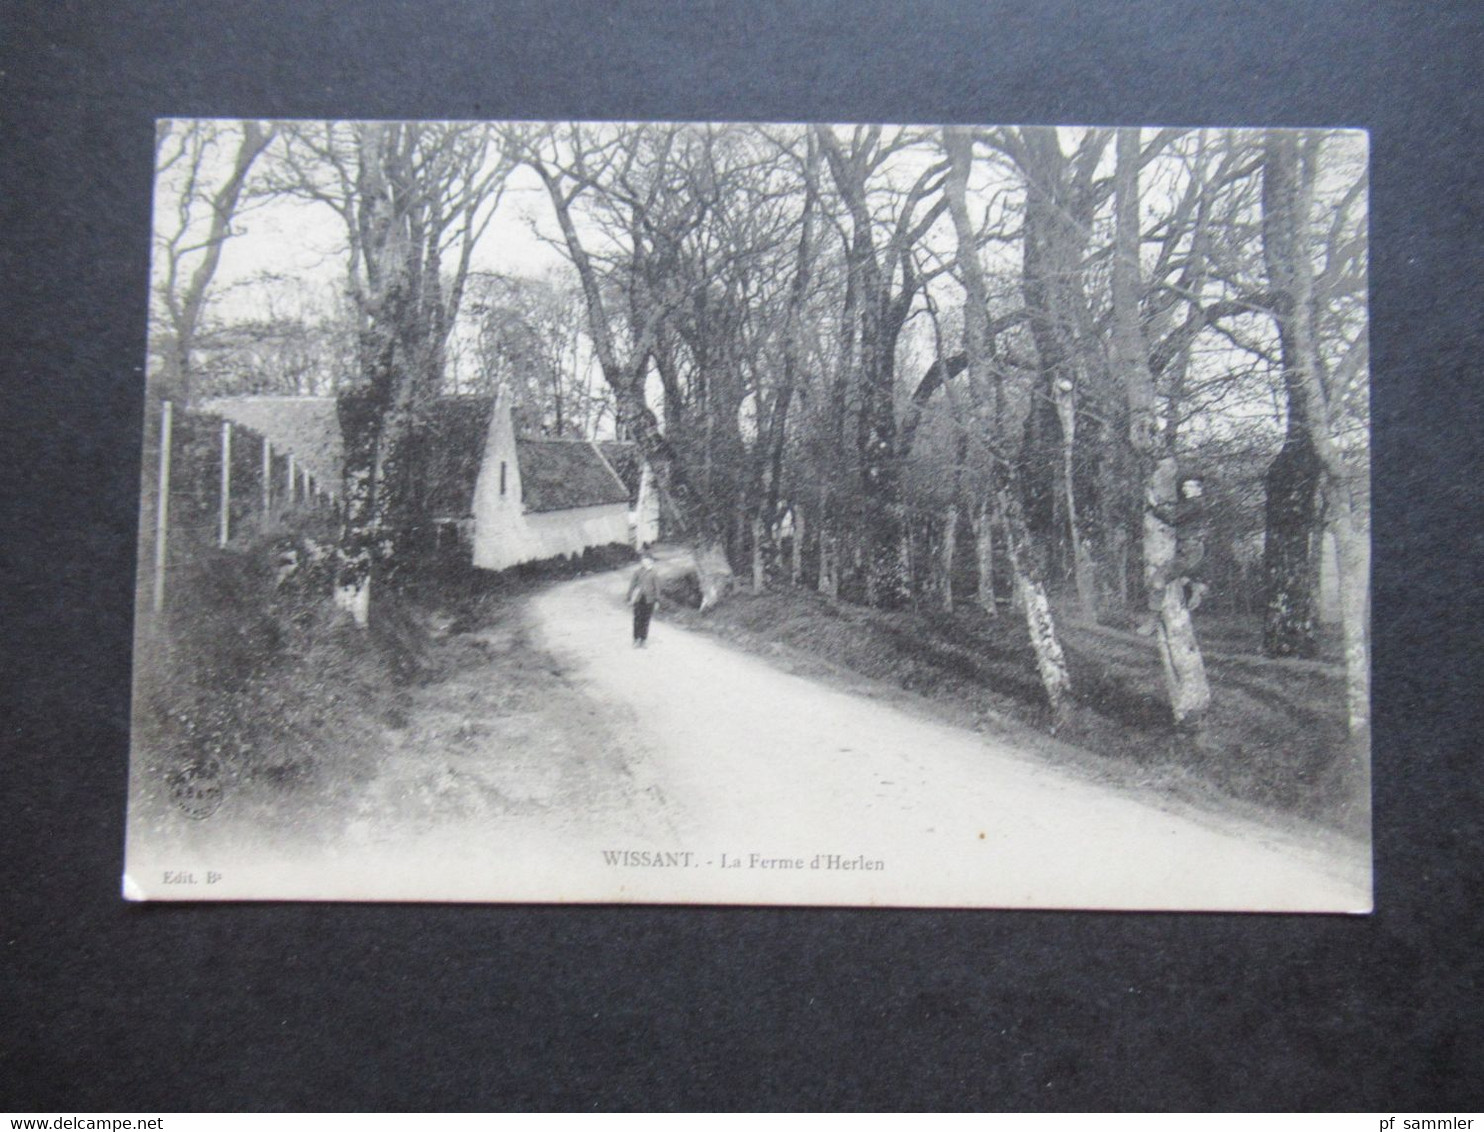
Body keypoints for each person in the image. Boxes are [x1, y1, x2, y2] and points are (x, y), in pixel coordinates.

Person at [1136, 474, 1210, 635]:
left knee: (1157, 581)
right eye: (1185, 486)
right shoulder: (1193, 504)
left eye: (1190, 486)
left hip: (1189, 551)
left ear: (1199, 489)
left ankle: (1152, 622)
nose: (1185, 489)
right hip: (1189, 550)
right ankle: (1195, 585)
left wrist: (1154, 504)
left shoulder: (1195, 504)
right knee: (1177, 576)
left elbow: (1172, 517)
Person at [626, 551, 661, 647]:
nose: (644, 562)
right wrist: (629, 597)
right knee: (637, 619)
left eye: (646, 560)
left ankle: (643, 639)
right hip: (638, 598)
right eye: (643, 560)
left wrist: (657, 600)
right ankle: (636, 639)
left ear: (651, 561)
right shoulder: (637, 572)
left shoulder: (654, 573)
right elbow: (632, 585)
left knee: (646, 620)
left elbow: (657, 587)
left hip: (649, 600)